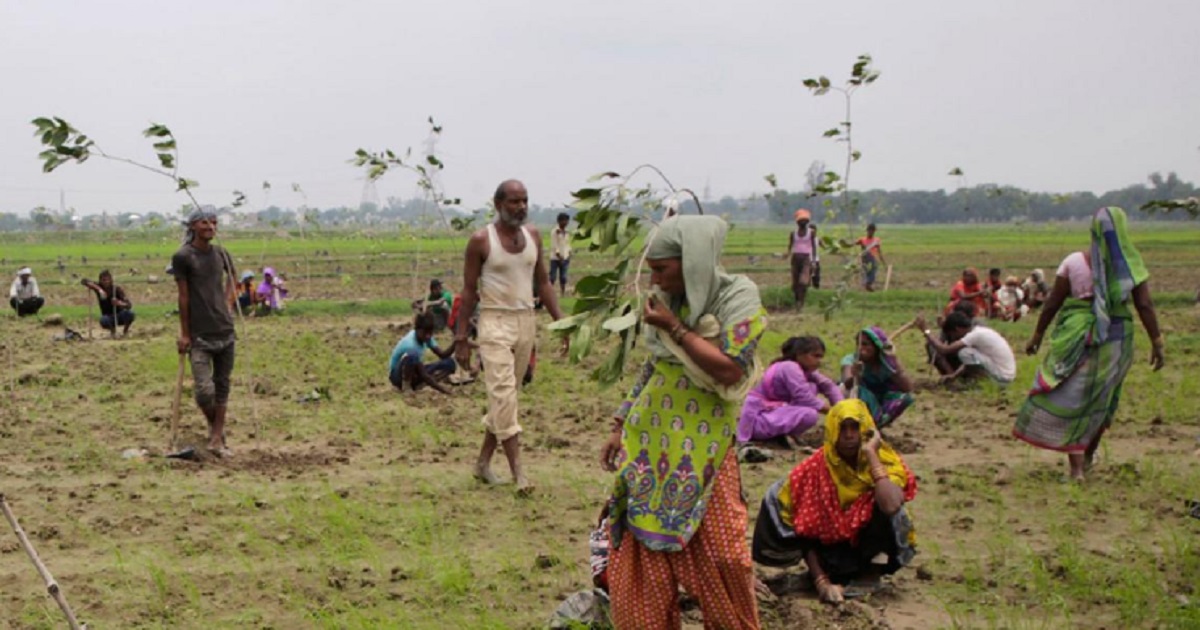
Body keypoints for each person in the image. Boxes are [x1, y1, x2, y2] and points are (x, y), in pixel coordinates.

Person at [599, 214, 766, 629]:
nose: (654, 279)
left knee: (725, 555)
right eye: (651, 269)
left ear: (692, 262)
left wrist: (674, 327)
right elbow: (655, 368)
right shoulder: (664, 303)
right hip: (649, 445)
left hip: (706, 449)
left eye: (662, 268)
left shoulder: (737, 297)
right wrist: (619, 424)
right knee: (642, 560)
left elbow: (730, 369)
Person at [1015, 207, 1164, 481]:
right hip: (1116, 341)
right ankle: (1086, 458)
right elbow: (1144, 304)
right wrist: (1157, 341)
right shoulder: (1131, 266)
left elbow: (1052, 303)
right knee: (1101, 400)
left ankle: (1076, 469)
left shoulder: (1073, 262)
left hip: (1077, 335)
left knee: (1075, 398)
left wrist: (1037, 335)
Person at [454, 179, 565, 494]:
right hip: (494, 322)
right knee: (503, 394)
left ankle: (482, 464)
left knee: (507, 396)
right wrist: (462, 338)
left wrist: (561, 323)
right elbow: (468, 291)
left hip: (525, 321)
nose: (521, 207)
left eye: (524, 201)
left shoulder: (532, 237)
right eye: (514, 202)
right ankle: (520, 474)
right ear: (498, 204)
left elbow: (543, 282)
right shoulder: (481, 241)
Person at [752, 400, 917, 604]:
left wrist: (871, 455)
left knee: (887, 504)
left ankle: (870, 573)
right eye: (842, 428)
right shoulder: (816, 469)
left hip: (874, 551)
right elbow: (804, 527)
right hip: (830, 553)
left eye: (855, 427)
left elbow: (891, 505)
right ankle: (824, 576)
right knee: (781, 495)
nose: (849, 435)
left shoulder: (884, 458)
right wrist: (822, 582)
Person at [172, 207, 238, 454]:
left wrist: (229, 302)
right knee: (203, 391)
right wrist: (185, 333)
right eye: (204, 222)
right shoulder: (183, 257)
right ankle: (217, 429)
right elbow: (183, 297)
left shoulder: (221, 254)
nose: (210, 226)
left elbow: (234, 276)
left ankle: (216, 438)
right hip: (200, 335)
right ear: (192, 227)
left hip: (225, 331)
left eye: (214, 222)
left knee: (222, 386)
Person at [737, 336, 842, 447]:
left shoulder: (806, 370)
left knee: (813, 387)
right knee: (809, 415)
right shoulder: (790, 367)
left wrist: (842, 407)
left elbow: (828, 385)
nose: (819, 361)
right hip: (758, 419)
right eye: (815, 356)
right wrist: (833, 412)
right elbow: (804, 397)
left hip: (773, 412)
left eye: (821, 357)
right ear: (800, 354)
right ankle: (772, 435)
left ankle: (781, 434)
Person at [840, 327, 915, 429]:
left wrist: (893, 360)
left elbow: (908, 388)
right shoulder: (851, 360)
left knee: (904, 398)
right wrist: (856, 375)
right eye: (858, 344)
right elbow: (845, 384)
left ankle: (876, 425)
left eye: (865, 344)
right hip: (861, 398)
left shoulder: (886, 363)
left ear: (876, 347)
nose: (860, 348)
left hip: (881, 399)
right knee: (851, 390)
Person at [918, 312, 1016, 386]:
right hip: (1006, 374)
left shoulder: (975, 335)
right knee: (968, 354)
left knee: (964, 352)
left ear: (958, 329)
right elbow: (970, 363)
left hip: (1003, 377)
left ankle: (978, 384)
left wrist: (926, 331)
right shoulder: (979, 332)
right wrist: (953, 376)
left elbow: (944, 350)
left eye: (953, 334)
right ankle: (979, 382)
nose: (954, 338)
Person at [389, 312, 457, 394]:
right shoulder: (410, 344)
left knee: (449, 363)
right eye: (425, 333)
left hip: (416, 371)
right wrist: (444, 390)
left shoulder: (426, 338)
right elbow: (424, 374)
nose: (428, 336)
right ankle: (406, 386)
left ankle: (420, 384)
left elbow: (443, 355)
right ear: (417, 329)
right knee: (412, 357)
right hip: (398, 376)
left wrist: (456, 342)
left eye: (430, 333)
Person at [82, 270, 135, 336]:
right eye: (103, 280)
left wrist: (119, 303)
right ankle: (113, 331)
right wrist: (99, 290)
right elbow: (84, 281)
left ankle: (125, 331)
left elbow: (129, 305)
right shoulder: (99, 287)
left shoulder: (116, 289)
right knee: (103, 320)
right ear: (100, 281)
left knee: (130, 314)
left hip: (119, 314)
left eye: (108, 280)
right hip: (108, 316)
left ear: (111, 280)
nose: (106, 282)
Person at [787, 208, 818, 311]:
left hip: (806, 259)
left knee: (803, 282)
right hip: (795, 258)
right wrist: (786, 255)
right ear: (797, 222)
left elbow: (813, 247)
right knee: (795, 284)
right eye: (801, 221)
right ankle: (798, 303)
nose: (803, 222)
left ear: (808, 222)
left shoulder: (811, 233)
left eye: (805, 220)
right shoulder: (793, 233)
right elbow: (790, 247)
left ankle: (801, 301)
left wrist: (813, 261)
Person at [856, 223, 886, 291]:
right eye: (869, 230)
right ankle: (867, 284)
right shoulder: (862, 240)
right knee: (866, 270)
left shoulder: (876, 240)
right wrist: (844, 244)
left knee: (872, 271)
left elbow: (879, 252)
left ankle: (868, 284)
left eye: (872, 230)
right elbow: (853, 244)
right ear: (867, 231)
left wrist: (883, 262)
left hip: (872, 258)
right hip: (865, 257)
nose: (870, 232)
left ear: (874, 231)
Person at [549, 212, 572, 296]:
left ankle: (563, 293)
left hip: (565, 257)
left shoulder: (567, 232)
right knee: (552, 277)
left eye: (567, 221)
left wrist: (569, 252)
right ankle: (550, 293)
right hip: (555, 258)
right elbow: (554, 245)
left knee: (563, 277)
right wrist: (559, 255)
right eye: (565, 221)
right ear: (559, 221)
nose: (566, 223)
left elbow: (567, 243)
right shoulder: (555, 232)